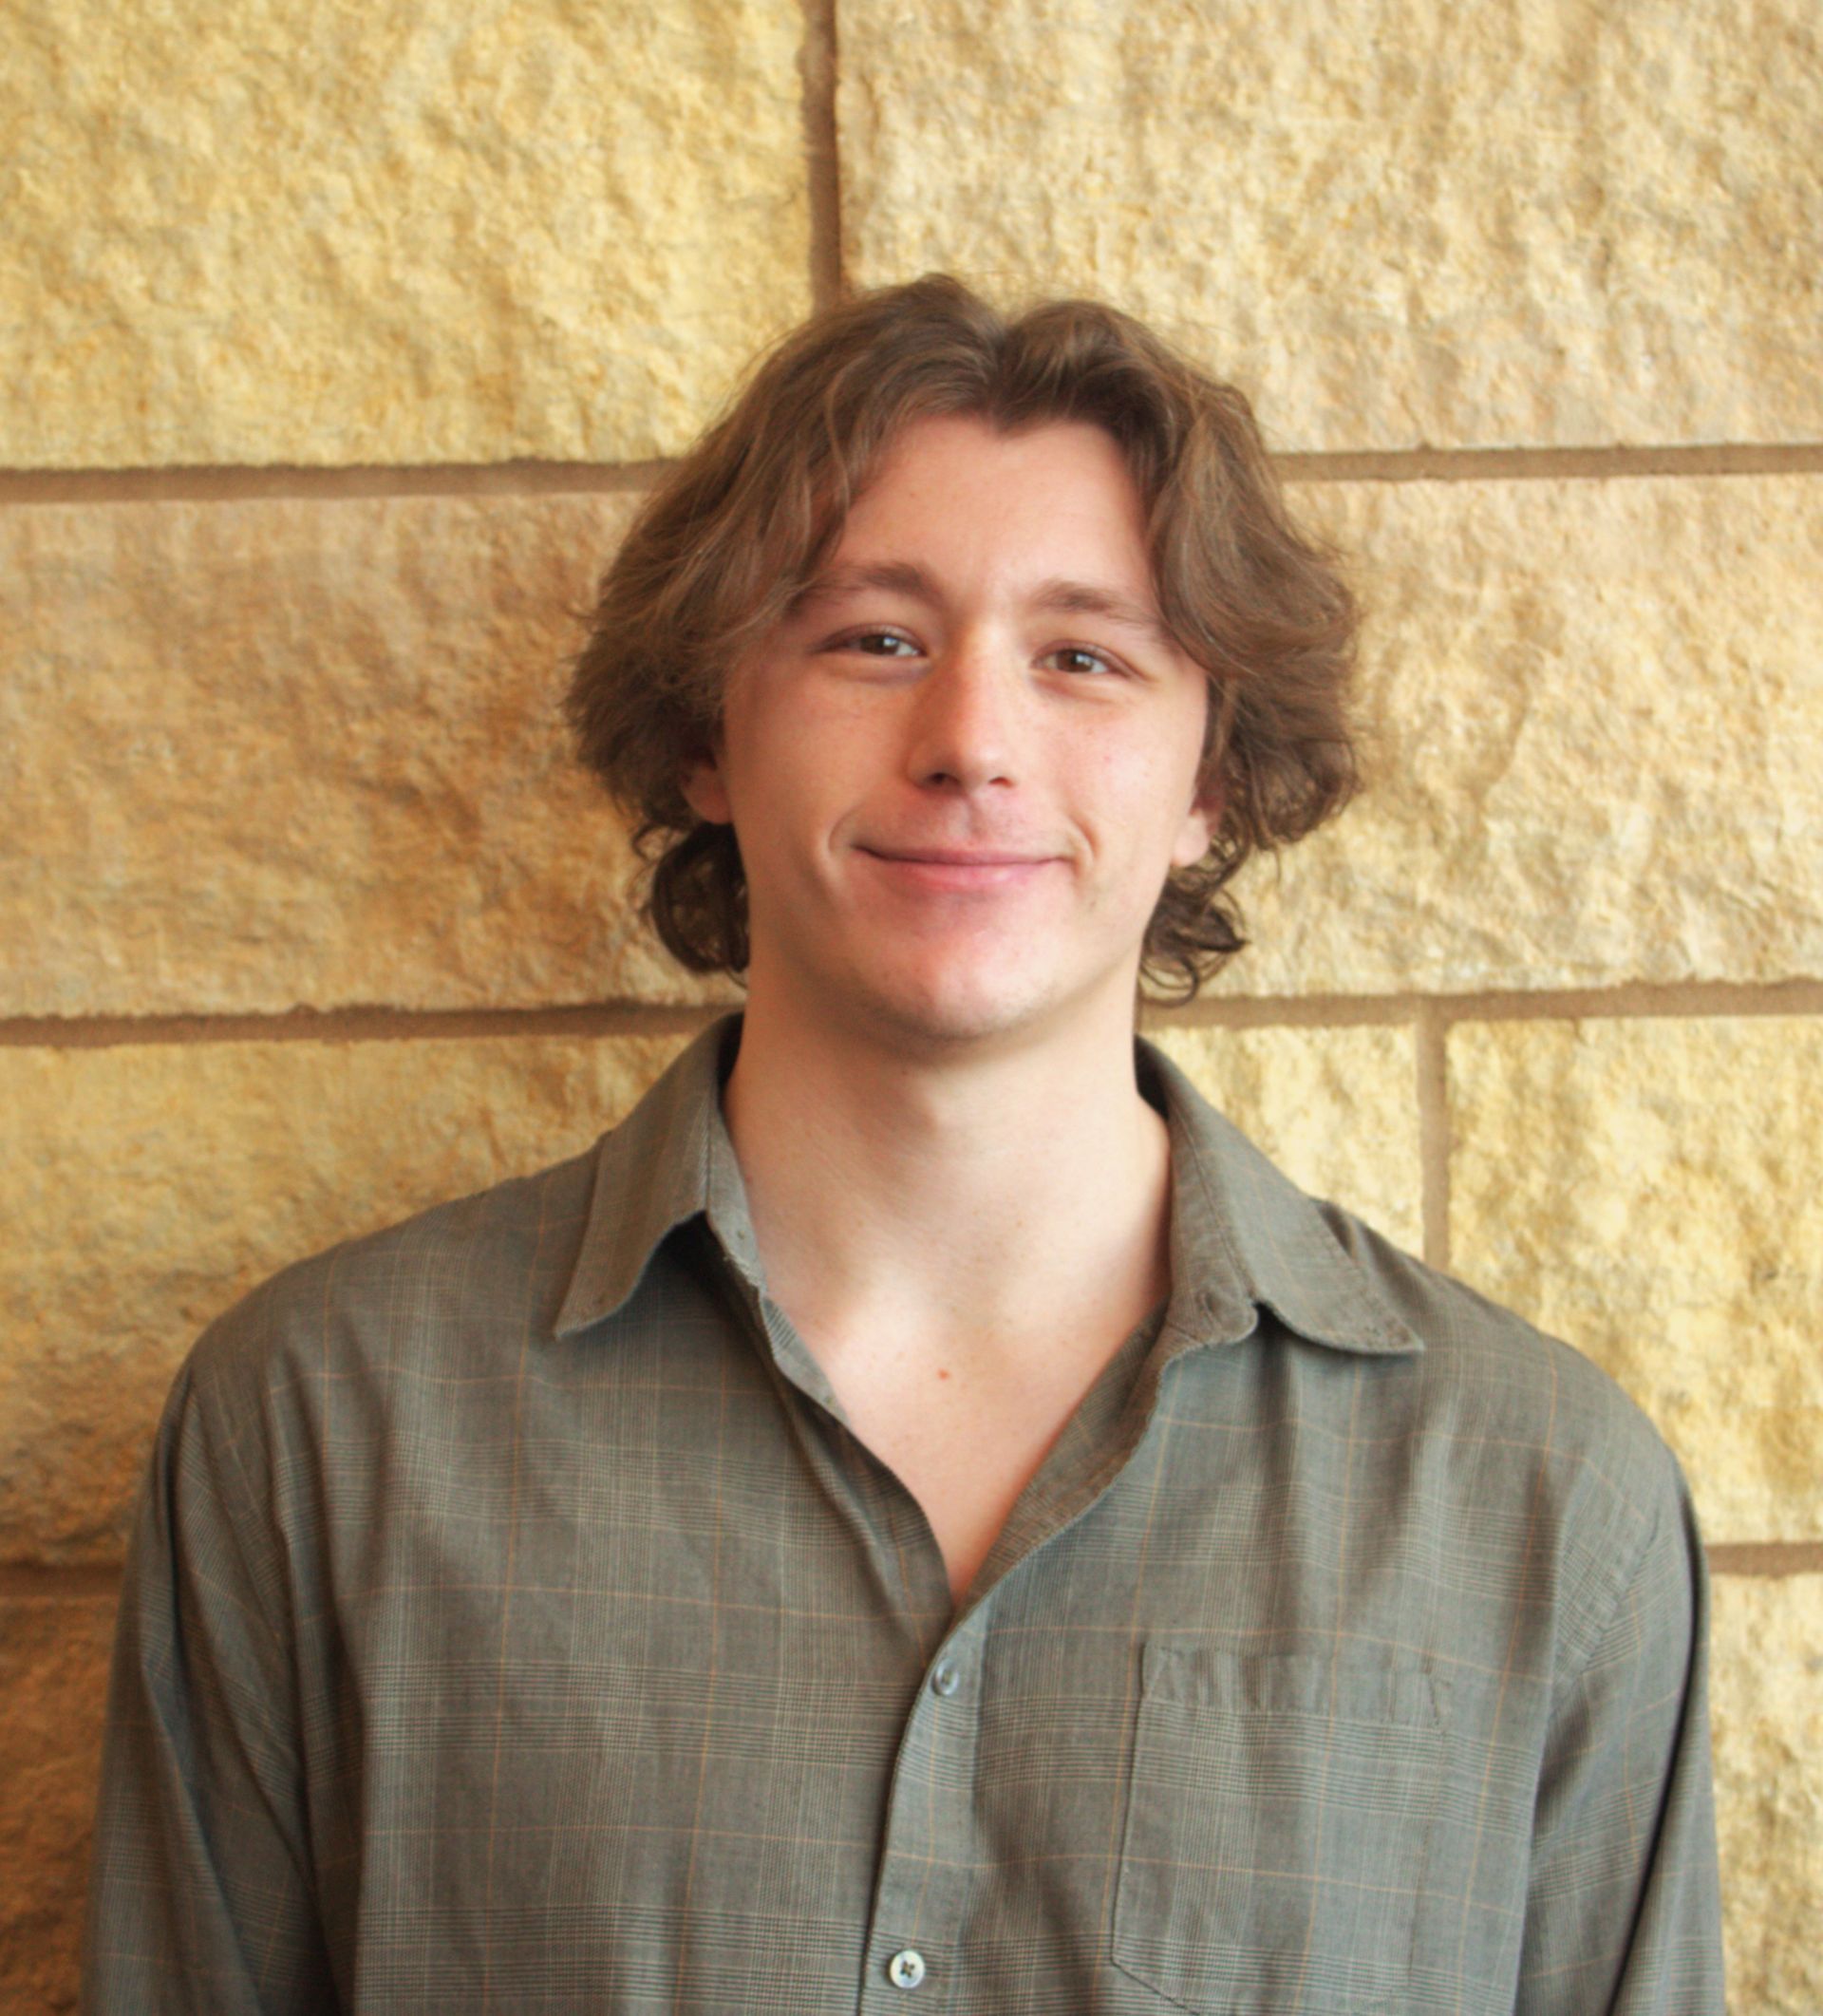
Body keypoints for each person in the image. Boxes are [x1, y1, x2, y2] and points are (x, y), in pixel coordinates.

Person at [84, 274, 1724, 2012]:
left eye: (1083, 657)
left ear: (1209, 783)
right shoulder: (321, 1432)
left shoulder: (1542, 1504)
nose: (970, 745)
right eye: (874, 639)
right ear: (709, 733)